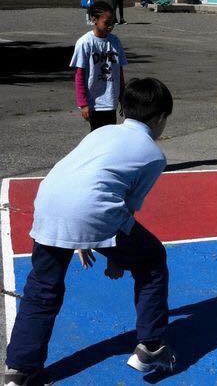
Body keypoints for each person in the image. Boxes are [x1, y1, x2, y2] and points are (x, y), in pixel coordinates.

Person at [3, 78, 175, 385]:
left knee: (42, 288)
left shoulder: (104, 131)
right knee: (151, 260)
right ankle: (150, 346)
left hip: (48, 203)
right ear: (161, 118)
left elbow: (82, 178)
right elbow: (127, 208)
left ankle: (20, 370)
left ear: (123, 110)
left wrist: (87, 242)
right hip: (93, 213)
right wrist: (115, 257)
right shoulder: (153, 155)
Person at [70, 1, 127, 132]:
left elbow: (119, 71)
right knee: (97, 138)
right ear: (94, 20)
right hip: (94, 104)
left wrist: (122, 98)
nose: (110, 26)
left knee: (110, 137)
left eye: (113, 22)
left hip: (111, 100)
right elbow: (79, 75)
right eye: (107, 23)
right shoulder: (85, 43)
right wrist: (83, 104)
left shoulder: (115, 41)